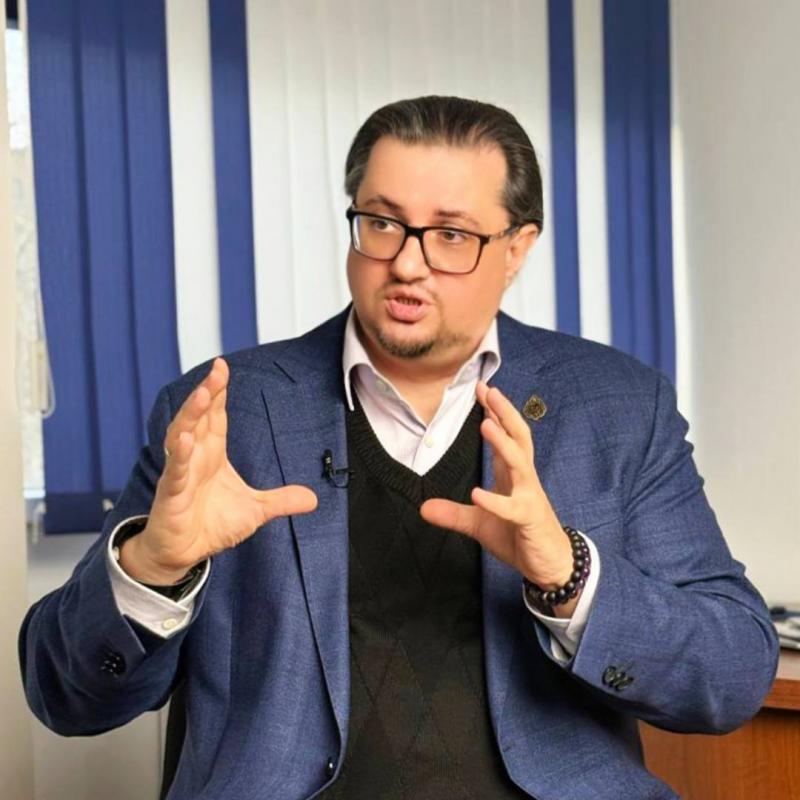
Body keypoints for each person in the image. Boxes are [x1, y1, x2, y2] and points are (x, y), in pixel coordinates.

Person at [20, 96, 778, 800]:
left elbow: (733, 673)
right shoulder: (225, 410)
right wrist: (153, 568)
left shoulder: (618, 406)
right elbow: (65, 696)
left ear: (517, 249)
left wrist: (568, 577)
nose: (408, 264)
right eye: (382, 223)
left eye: (451, 235)